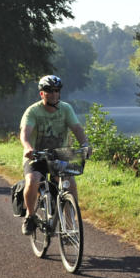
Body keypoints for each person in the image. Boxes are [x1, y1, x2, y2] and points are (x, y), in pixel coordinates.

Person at [19, 75, 91, 235]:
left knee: (70, 184)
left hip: (60, 155)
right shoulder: (33, 111)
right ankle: (30, 216)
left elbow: (77, 128)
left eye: (56, 90)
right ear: (41, 93)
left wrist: (85, 144)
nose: (53, 94)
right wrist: (28, 148)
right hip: (36, 155)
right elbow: (25, 133)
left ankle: (69, 226)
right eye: (49, 91)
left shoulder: (66, 109)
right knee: (33, 180)